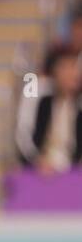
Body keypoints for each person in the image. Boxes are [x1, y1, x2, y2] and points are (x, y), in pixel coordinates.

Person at [17, 46, 81, 174]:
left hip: (74, 172)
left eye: (74, 67)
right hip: (41, 168)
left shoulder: (79, 105)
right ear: (54, 71)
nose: (71, 73)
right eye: (64, 67)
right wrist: (37, 161)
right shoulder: (40, 97)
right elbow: (24, 134)